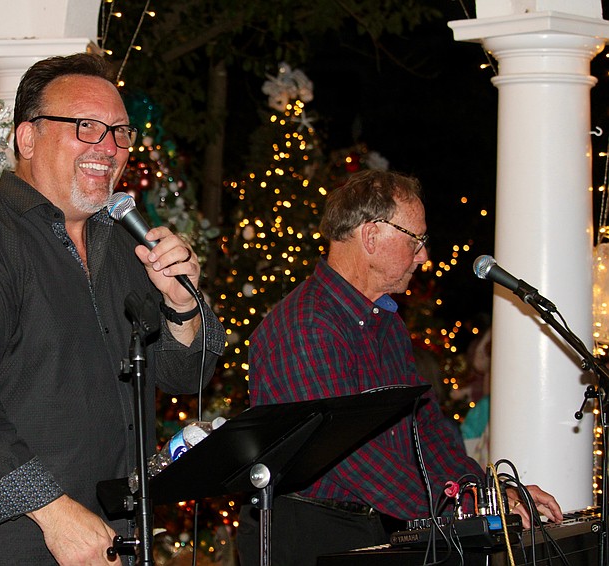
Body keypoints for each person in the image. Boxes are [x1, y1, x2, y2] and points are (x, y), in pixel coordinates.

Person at [0, 53, 225, 565]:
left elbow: (187, 376)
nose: (108, 147)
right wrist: (51, 510)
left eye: (119, 132)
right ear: (26, 139)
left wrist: (182, 305)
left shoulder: (124, 246)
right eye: (86, 127)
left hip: (101, 535)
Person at [236, 170, 562, 565]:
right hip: (306, 534)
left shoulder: (385, 322)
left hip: (366, 525)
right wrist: (467, 510)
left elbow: (425, 427)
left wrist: (484, 490)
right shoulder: (306, 324)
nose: (424, 255)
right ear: (371, 236)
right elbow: (350, 457)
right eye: (416, 240)